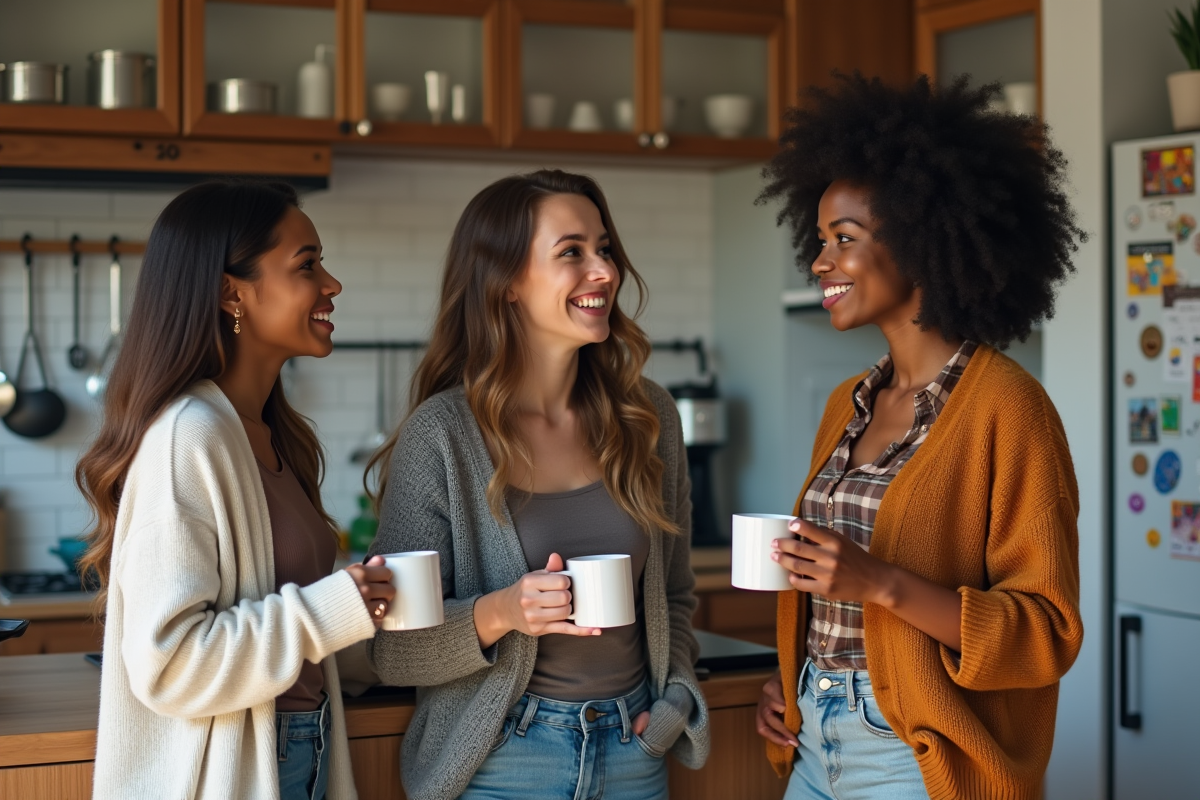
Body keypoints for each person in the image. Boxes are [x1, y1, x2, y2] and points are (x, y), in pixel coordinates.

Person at [753, 74, 1085, 799]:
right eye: (819, 240)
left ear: (923, 239)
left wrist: (879, 582)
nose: (819, 261)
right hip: (814, 738)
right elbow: (823, 592)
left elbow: (1046, 631)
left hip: (914, 754)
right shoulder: (848, 402)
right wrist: (791, 681)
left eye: (844, 239)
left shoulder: (1010, 409)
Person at [365, 169, 710, 800]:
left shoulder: (648, 417)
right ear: (507, 284)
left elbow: (677, 595)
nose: (603, 271)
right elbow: (395, 654)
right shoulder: (441, 435)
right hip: (503, 760)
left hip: (635, 750)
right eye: (571, 253)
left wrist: (674, 702)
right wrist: (504, 612)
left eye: (603, 248)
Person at [76, 180, 396, 800]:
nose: (331, 284)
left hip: (301, 747)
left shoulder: (272, 433)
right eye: (307, 266)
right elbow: (170, 664)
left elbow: (297, 632)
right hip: (248, 767)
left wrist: (384, 617)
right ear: (231, 292)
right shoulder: (188, 436)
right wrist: (335, 607)